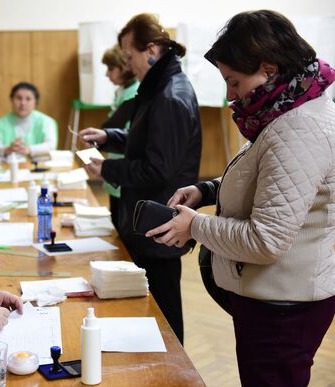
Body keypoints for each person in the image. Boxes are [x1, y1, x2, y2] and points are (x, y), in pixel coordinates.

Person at [147, 10, 335, 387]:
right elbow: (266, 180)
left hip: (283, 305)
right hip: (277, 298)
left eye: (234, 81)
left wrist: (195, 225)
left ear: (267, 69)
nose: (230, 94)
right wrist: (207, 190)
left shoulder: (297, 130)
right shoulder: (287, 111)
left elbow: (266, 240)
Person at [79, 13, 202, 345]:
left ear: (150, 50)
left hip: (159, 224)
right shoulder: (157, 86)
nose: (128, 65)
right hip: (148, 219)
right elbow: (145, 141)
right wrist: (110, 136)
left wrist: (107, 170)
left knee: (163, 315)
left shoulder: (170, 95)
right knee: (150, 311)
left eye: (129, 56)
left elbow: (156, 168)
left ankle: (175, 377)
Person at [100, 44, 140, 228]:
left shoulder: (134, 94)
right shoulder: (122, 91)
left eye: (110, 68)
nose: (107, 74)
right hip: (116, 165)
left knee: (123, 222)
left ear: (123, 67)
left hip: (125, 169)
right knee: (116, 218)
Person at [0, 82, 58, 158]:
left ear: (35, 102)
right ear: (11, 100)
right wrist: (8, 149)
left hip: (39, 166)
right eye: (19, 98)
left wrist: (29, 149)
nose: (23, 103)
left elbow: (51, 145)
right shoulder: (1, 123)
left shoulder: (47, 122)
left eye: (28, 99)